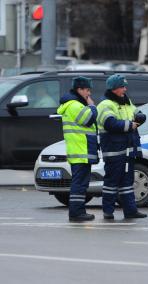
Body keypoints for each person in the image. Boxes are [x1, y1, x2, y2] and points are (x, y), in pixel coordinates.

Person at [97, 74, 147, 220]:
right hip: (114, 151)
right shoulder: (105, 104)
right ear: (114, 88)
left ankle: (130, 210)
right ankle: (108, 211)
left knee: (127, 182)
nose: (125, 89)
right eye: (122, 87)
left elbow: (139, 114)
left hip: (127, 150)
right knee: (111, 182)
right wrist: (130, 125)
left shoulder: (126, 102)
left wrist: (140, 118)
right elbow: (110, 123)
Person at [57, 76, 98, 222]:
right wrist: (92, 106)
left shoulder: (75, 104)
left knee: (81, 183)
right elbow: (88, 119)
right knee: (79, 184)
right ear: (79, 89)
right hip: (81, 151)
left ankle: (79, 211)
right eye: (87, 90)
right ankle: (76, 213)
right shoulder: (75, 105)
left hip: (81, 151)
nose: (89, 94)